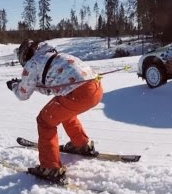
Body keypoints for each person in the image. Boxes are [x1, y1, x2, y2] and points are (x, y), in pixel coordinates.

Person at [7, 39, 103, 184]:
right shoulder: (53, 55)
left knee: (44, 121)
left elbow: (23, 94)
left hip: (77, 93)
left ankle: (50, 168)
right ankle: (81, 144)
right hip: (95, 87)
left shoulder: (32, 64)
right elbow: (47, 85)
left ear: (25, 55)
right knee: (62, 111)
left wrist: (15, 86)